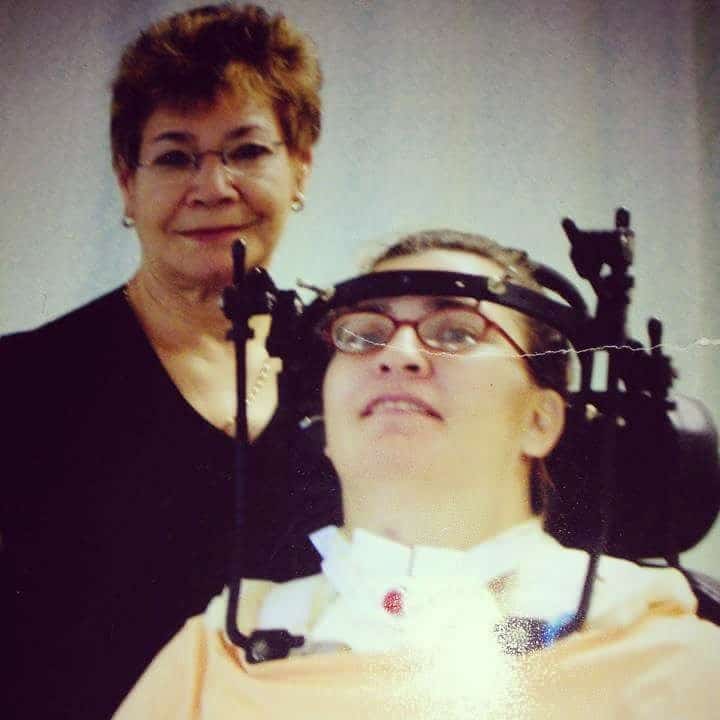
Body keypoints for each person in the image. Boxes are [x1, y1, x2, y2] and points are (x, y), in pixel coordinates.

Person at [112, 229, 720, 719]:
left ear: (539, 419)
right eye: (363, 334)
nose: (397, 354)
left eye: (456, 332)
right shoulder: (216, 654)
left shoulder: (670, 655)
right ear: (323, 422)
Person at [1, 5, 326, 718]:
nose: (213, 188)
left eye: (246, 151)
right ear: (127, 184)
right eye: (176, 156)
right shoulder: (19, 387)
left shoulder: (355, 376)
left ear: (300, 165)